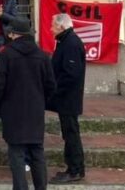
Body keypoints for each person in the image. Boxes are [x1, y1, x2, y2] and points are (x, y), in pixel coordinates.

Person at [0, 17, 56, 190]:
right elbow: (51, 85)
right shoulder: (42, 56)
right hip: (35, 110)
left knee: (16, 153)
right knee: (37, 152)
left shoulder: (6, 54)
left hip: (12, 111)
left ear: (13, 34)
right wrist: (41, 101)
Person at [46, 13, 86, 185]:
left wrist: (54, 90)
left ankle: (75, 169)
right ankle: (72, 168)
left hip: (68, 99)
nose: (50, 29)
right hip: (65, 99)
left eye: (53, 26)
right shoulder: (66, 41)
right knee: (68, 134)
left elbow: (71, 75)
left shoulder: (70, 43)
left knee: (71, 134)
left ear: (61, 27)